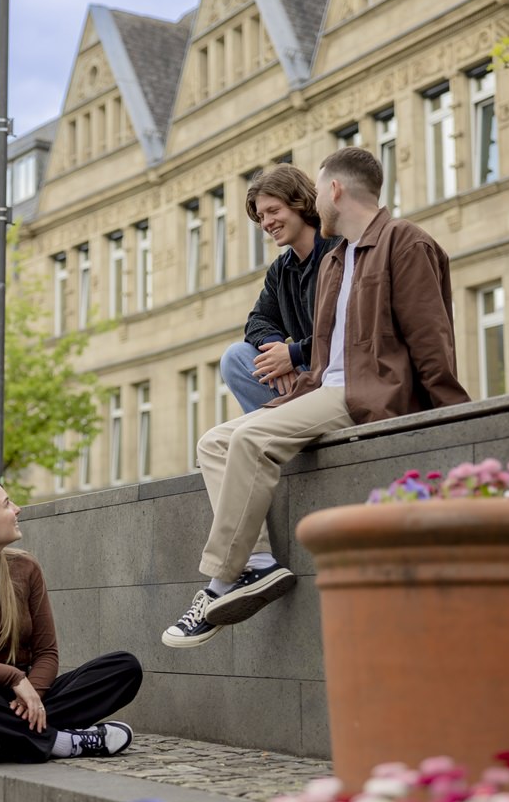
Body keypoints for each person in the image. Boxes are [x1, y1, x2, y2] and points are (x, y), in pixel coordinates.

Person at [162, 147, 470, 648]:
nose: (266, 223)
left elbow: (432, 339)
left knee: (251, 441)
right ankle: (259, 563)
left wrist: (452, 420)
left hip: (369, 393)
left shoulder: (405, 242)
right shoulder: (337, 261)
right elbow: (316, 348)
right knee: (215, 442)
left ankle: (219, 582)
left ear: (333, 190)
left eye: (271, 212)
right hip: (325, 387)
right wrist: (293, 382)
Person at [0, 473, 142, 766]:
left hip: (19, 700)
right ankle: (61, 742)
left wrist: (32, 694)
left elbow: (46, 652)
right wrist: (14, 677)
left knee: (123, 668)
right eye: (7, 504)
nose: (17, 509)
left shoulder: (25, 568)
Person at [220, 164, 339, 412]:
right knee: (235, 357)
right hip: (306, 374)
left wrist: (294, 354)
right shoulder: (281, 270)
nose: (266, 223)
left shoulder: (339, 250)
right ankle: (288, 431)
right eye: (261, 216)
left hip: (340, 372)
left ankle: (284, 428)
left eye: (273, 211)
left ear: (299, 203)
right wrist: (277, 353)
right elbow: (258, 320)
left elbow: (347, 330)